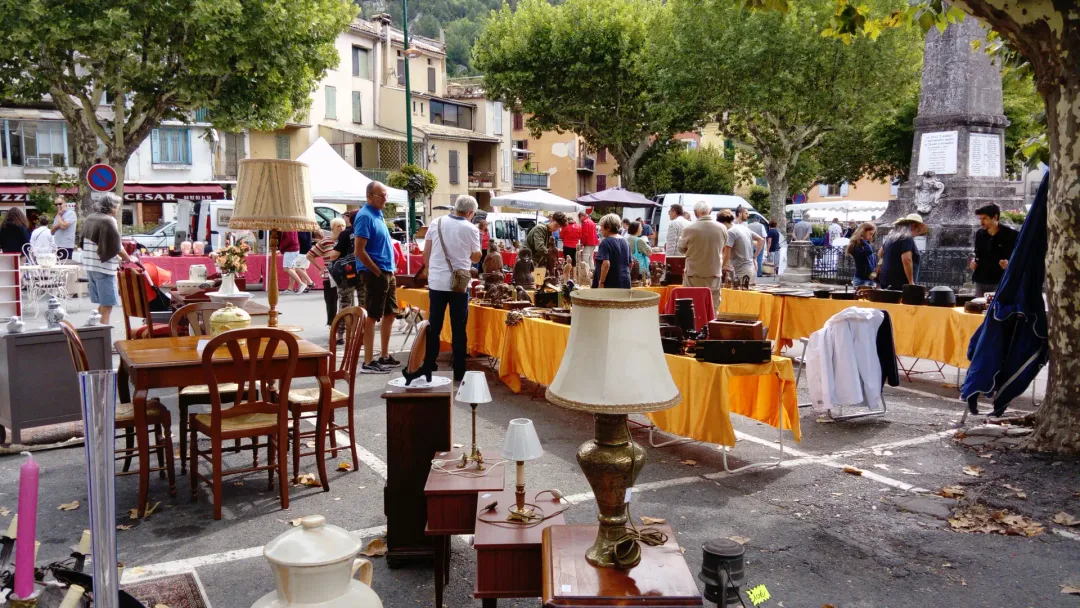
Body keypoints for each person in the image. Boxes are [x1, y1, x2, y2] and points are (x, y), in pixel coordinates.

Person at [410, 195, 482, 384]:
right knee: (459, 327)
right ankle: (459, 370)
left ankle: (429, 364)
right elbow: (476, 257)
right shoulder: (471, 229)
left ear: (455, 208)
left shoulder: (437, 222)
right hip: (459, 284)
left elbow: (426, 252)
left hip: (437, 282)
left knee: (434, 325)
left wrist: (432, 271)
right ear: (471, 212)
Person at [354, 181, 400, 374]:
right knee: (373, 315)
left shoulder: (377, 214)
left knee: (391, 312)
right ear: (369, 196)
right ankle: (368, 361)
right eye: (381, 195)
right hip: (376, 272)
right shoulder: (365, 216)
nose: (384, 199)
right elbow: (359, 250)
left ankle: (384, 355)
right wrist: (376, 271)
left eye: (385, 195)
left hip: (386, 270)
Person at [81, 193, 133, 325]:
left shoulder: (90, 218)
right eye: (118, 206)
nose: (118, 209)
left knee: (103, 303)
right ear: (112, 206)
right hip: (104, 267)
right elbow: (117, 246)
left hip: (90, 265)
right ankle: (103, 334)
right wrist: (129, 258)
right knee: (108, 304)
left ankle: (94, 326)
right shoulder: (109, 221)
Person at [677, 202, 728, 312]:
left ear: (695, 213)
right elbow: (723, 246)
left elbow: (681, 248)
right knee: (712, 306)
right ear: (710, 211)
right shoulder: (722, 228)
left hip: (693, 274)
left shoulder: (689, 229)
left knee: (691, 306)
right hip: (714, 273)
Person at [970, 203, 1018, 297]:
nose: (981, 222)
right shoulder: (979, 234)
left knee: (996, 305)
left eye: (984, 218)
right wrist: (973, 261)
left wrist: (1009, 263)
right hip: (980, 280)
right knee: (979, 305)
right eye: (980, 219)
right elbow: (977, 253)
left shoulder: (1012, 235)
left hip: (1001, 281)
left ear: (995, 217)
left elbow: (1019, 256)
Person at [328, 210, 360, 344]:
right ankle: (360, 333)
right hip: (364, 272)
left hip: (347, 274)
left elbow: (334, 255)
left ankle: (340, 335)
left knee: (345, 304)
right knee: (363, 305)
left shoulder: (346, 234)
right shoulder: (368, 232)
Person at [308, 219, 346, 327]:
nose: (341, 228)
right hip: (330, 275)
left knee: (345, 301)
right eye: (338, 226)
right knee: (331, 301)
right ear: (332, 228)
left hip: (344, 275)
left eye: (343, 225)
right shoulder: (325, 241)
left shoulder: (346, 240)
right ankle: (332, 324)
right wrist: (320, 268)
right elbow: (309, 255)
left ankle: (343, 324)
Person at [876, 213, 928, 290]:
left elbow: (880, 253)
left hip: (886, 280)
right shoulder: (907, 238)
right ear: (913, 225)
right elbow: (907, 260)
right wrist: (911, 282)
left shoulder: (891, 237)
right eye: (918, 230)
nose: (917, 234)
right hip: (900, 282)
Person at [721, 210, 765, 284]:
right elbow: (761, 240)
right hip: (751, 268)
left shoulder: (730, 232)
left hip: (741, 271)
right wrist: (754, 258)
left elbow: (726, 255)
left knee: (740, 291)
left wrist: (719, 269)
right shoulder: (743, 228)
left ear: (723, 223)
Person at [593, 213, 631, 289]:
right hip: (624, 281)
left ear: (608, 228)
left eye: (602, 226)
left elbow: (606, 264)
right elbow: (630, 263)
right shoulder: (625, 241)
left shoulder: (605, 242)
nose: (601, 229)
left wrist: (601, 282)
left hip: (609, 283)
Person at [846, 222, 878, 287]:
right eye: (870, 234)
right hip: (861, 280)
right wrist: (863, 240)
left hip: (871, 279)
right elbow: (868, 251)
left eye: (872, 235)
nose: (871, 237)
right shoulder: (855, 246)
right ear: (863, 231)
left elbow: (873, 263)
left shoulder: (866, 245)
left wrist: (874, 277)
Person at [744, 210, 767, 277]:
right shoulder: (761, 226)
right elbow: (764, 236)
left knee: (750, 259)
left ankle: (751, 272)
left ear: (754, 219)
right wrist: (764, 244)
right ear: (759, 220)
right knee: (759, 258)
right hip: (759, 244)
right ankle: (759, 273)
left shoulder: (748, 225)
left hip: (750, 244)